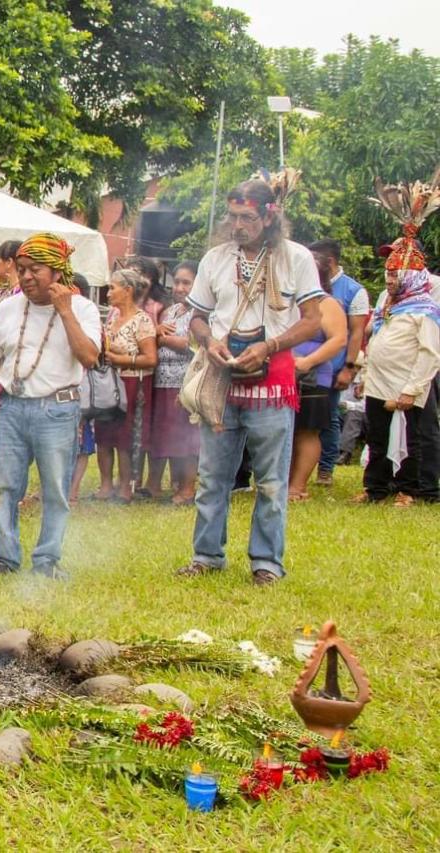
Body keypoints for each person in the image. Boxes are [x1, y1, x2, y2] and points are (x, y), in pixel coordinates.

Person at [177, 178, 322, 586]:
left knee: (272, 482)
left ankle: (267, 564)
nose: (238, 225)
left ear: (269, 215)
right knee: (212, 477)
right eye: (233, 216)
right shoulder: (216, 259)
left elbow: (313, 320)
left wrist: (271, 345)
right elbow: (198, 318)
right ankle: (206, 556)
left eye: (247, 217)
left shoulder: (296, 258)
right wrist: (209, 342)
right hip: (221, 384)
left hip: (271, 384)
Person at [0, 233, 101, 578]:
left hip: (58, 410)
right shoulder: (7, 308)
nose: (27, 277)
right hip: (13, 407)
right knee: (3, 486)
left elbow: (89, 357)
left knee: (55, 490)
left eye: (36, 270)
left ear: (58, 272)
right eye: (22, 269)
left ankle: (47, 561)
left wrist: (64, 311)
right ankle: (5, 558)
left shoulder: (83, 308)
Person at [357, 259, 440, 506]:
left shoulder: (425, 309)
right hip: (379, 383)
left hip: (406, 384)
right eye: (388, 277)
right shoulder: (389, 303)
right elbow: (375, 341)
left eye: (395, 277)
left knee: (411, 439)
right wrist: (366, 376)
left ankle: (409, 490)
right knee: (377, 436)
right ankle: (375, 488)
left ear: (409, 278)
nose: (390, 282)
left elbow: (430, 353)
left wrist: (412, 388)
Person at [307, 239, 370, 486]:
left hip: (332, 369)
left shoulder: (353, 291)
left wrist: (349, 368)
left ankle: (325, 469)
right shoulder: (307, 287)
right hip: (302, 368)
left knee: (329, 418)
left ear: (329, 262)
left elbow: (356, 333)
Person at [287, 250, 347, 500]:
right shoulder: (291, 301)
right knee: (285, 429)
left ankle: (298, 486)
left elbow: (339, 340)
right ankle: (283, 482)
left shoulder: (326, 303)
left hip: (312, 375)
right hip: (284, 374)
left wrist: (307, 361)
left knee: (307, 430)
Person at [93, 269, 157, 503]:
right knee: (104, 434)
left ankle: (125, 486)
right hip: (108, 382)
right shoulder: (111, 317)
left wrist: (123, 359)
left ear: (128, 291)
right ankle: (106, 485)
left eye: (113, 288)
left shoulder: (142, 320)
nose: (108, 293)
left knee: (125, 436)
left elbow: (150, 358)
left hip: (132, 383)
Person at [146, 261, 200, 504]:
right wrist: (157, 334)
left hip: (185, 383)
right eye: (177, 282)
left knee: (185, 436)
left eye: (186, 282)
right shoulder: (170, 312)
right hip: (162, 381)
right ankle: (165, 483)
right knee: (165, 434)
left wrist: (162, 336)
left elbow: (191, 344)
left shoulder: (201, 314)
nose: (179, 287)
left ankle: (187, 487)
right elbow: (154, 341)